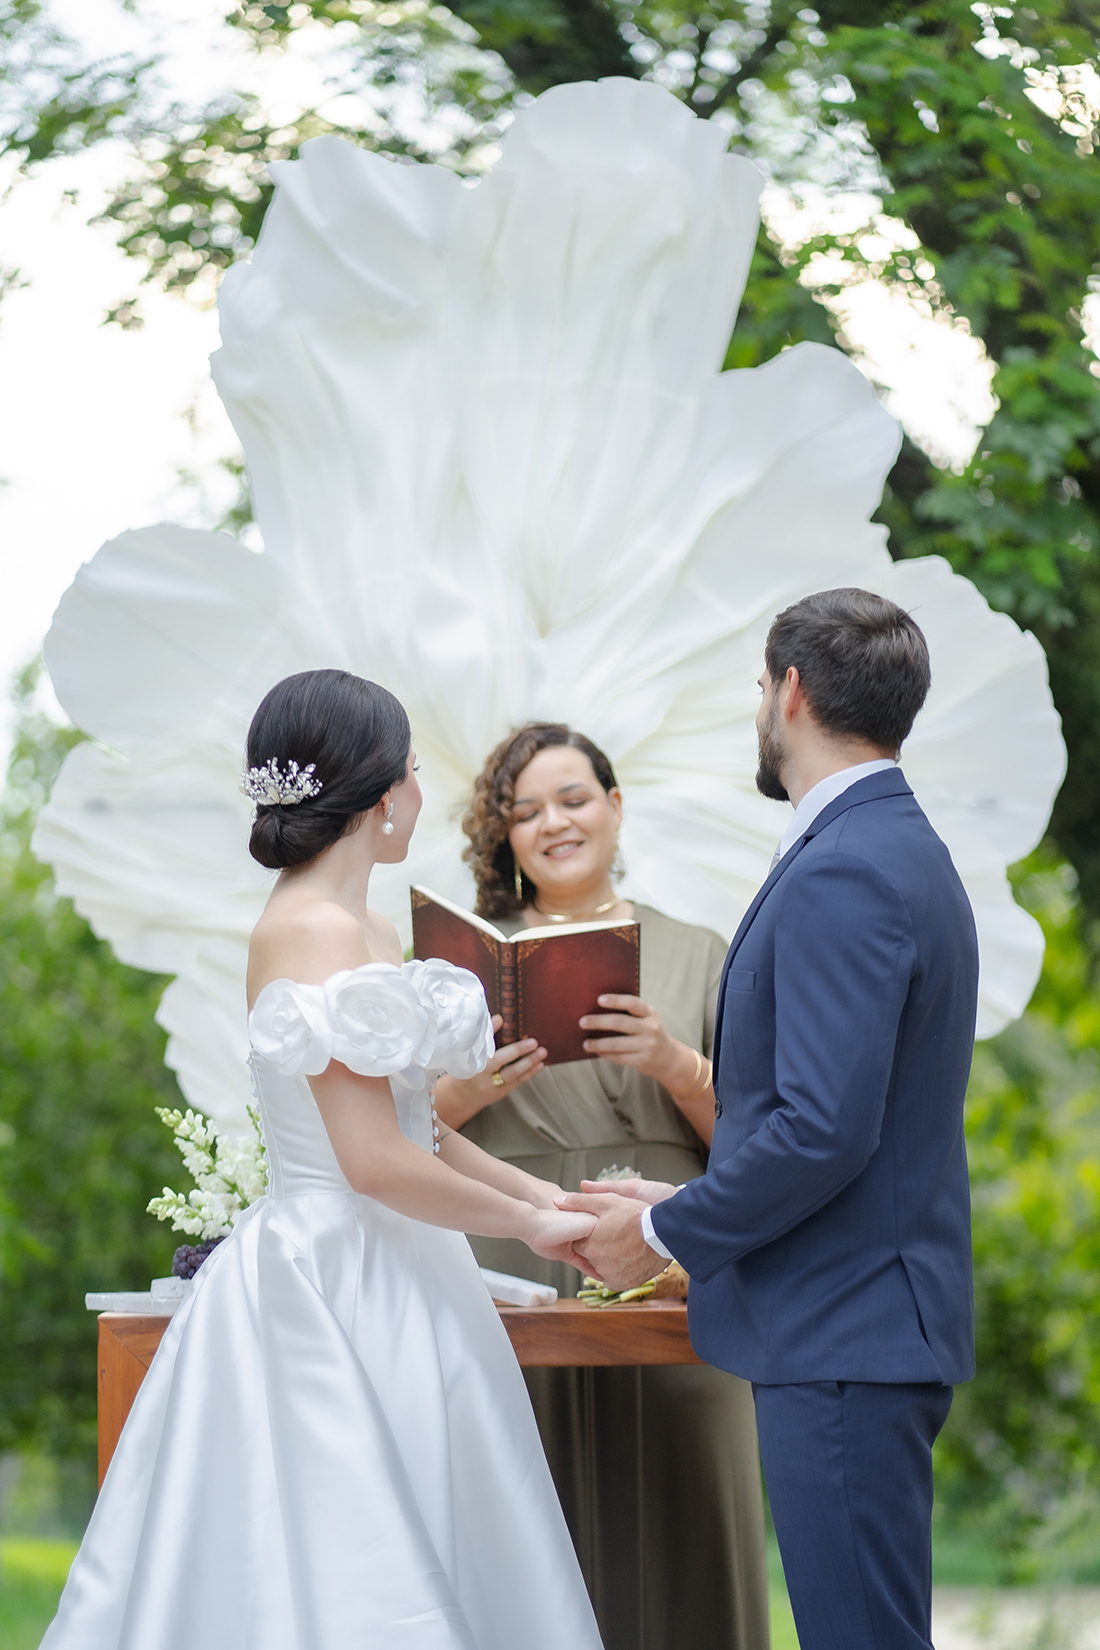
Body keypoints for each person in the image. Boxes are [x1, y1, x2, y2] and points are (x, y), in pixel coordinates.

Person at [43, 669, 602, 1650]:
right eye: (416, 772)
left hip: (395, 1259)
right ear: (384, 796)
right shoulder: (314, 929)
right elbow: (370, 1162)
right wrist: (527, 1228)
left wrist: (539, 1190)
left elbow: (413, 1121)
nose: (420, 793)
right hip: (338, 1274)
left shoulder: (362, 927)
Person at [563, 588, 979, 1650]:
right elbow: (836, 1119)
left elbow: (823, 1129)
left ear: (788, 692)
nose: (760, 705)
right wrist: (689, 1191)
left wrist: (662, 1232)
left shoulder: (845, 865)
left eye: (759, 685)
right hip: (857, 1328)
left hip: (844, 1334)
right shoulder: (886, 845)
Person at [432, 723, 770, 1650]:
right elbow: (395, 1134)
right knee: (519, 1523)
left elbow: (762, 1148)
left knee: (684, 1509)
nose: (554, 823)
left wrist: (673, 1062)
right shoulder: (455, 969)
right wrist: (471, 1083)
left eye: (574, 799)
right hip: (508, 1258)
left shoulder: (705, 954)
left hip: (672, 1263)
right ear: (504, 835)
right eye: (526, 810)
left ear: (616, 808)